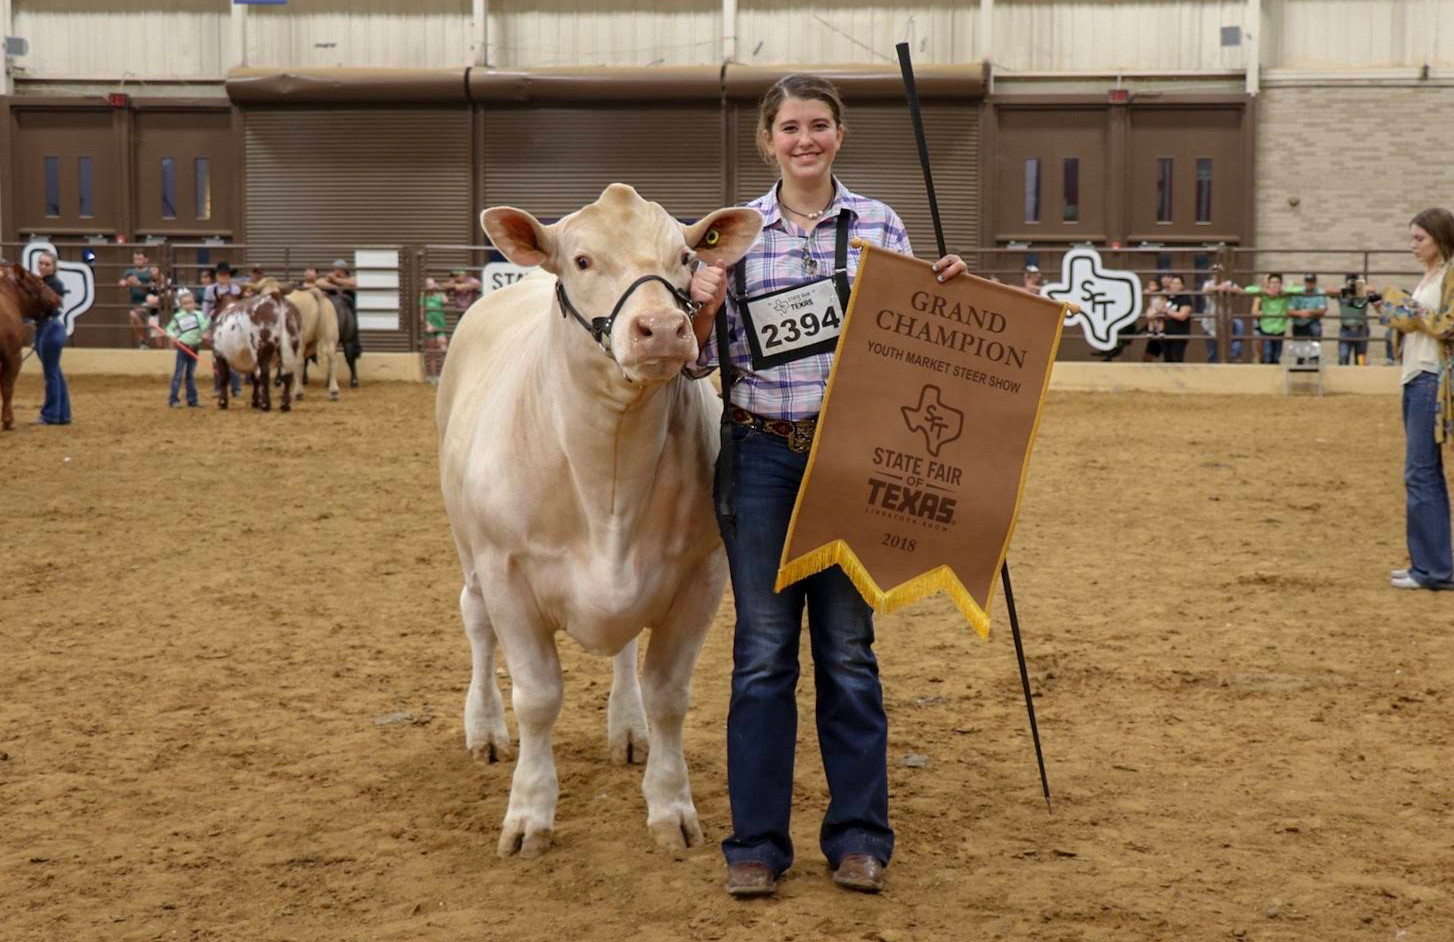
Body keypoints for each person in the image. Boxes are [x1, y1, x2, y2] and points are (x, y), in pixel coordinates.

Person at [684, 73, 967, 899]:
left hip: (853, 459)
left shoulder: (880, 223)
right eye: (789, 128)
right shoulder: (728, 235)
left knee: (848, 654)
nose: (804, 140)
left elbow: (918, 340)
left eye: (818, 126)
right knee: (764, 657)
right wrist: (703, 305)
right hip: (760, 452)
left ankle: (858, 837)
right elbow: (699, 363)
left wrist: (942, 291)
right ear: (767, 141)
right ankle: (757, 846)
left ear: (839, 135)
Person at [1385, 208, 1454, 590]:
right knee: (1424, 474)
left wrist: (1407, 310)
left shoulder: (1450, 274)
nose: (1413, 245)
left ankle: (1433, 571)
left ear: (1439, 238)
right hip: (1416, 376)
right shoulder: (1432, 275)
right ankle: (1430, 564)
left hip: (1431, 378)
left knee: (1421, 473)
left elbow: (1448, 324)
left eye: (1419, 239)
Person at [31, 252, 71, 425]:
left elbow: (51, 304)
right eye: (40, 263)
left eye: (47, 264)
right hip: (47, 328)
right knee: (55, 372)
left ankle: (51, 414)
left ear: (54, 267)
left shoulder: (53, 284)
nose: (42, 266)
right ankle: (62, 414)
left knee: (51, 374)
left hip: (49, 327)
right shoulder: (42, 283)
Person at [204, 262, 244, 398]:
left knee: (233, 357)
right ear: (216, 275)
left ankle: (236, 388)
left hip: (233, 326)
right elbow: (206, 309)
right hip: (217, 325)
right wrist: (206, 328)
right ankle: (218, 387)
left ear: (229, 275)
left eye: (226, 274)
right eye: (221, 274)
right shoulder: (210, 290)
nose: (223, 277)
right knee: (217, 358)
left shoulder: (236, 289)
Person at [164, 290, 208, 408]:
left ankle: (192, 400)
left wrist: (209, 322)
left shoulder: (199, 315)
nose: (188, 305)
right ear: (181, 305)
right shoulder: (178, 317)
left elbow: (203, 327)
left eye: (190, 302)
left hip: (195, 348)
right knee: (178, 373)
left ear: (194, 303)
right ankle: (173, 400)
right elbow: (169, 329)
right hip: (183, 347)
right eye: (185, 303)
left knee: (190, 375)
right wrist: (173, 337)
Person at [1199, 265, 1243, 362]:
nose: (1216, 274)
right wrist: (1219, 288)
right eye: (1214, 272)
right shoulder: (1208, 283)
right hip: (1209, 322)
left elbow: (1241, 291)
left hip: (1226, 321)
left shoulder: (1229, 283)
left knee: (1227, 346)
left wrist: (1229, 289)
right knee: (1212, 351)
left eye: (1218, 271)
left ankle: (1233, 358)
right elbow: (1204, 290)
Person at [120, 248, 159, 349]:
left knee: (158, 335)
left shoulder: (151, 271)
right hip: (136, 303)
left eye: (140, 259)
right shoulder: (130, 271)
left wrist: (139, 284)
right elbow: (122, 282)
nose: (137, 261)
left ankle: (160, 348)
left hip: (151, 305)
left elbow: (155, 286)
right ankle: (142, 341)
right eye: (135, 259)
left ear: (146, 259)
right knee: (133, 315)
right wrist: (125, 283)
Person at [1250, 273, 1290, 364]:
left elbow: (1297, 290)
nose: (1274, 285)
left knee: (1276, 357)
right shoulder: (1261, 294)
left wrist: (1283, 291)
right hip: (1264, 328)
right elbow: (1249, 290)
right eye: (1271, 282)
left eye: (1277, 282)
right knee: (1267, 354)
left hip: (1279, 329)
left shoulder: (1283, 295)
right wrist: (1264, 291)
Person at [1288, 273, 1327, 364]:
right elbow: (1290, 310)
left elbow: (1322, 310)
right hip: (1299, 321)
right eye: (1308, 281)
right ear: (1305, 282)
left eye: (1312, 281)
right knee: (1299, 341)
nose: (1309, 284)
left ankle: (1314, 359)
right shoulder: (1298, 292)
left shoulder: (1319, 292)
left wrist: (1308, 312)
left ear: (1315, 282)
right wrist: (1300, 313)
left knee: (1316, 329)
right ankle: (1300, 360)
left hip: (1312, 320)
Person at [1336, 273, 1371, 365]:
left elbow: (1372, 289)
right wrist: (1345, 290)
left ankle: (1360, 379)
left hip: (1361, 329)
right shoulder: (1342, 292)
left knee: (1360, 360)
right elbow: (1328, 290)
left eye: (1354, 281)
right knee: (1343, 357)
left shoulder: (1362, 292)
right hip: (1346, 329)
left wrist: (1358, 289)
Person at [421, 277, 450, 381]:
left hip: (440, 326)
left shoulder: (439, 296)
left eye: (432, 285)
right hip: (430, 328)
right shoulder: (423, 297)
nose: (431, 288)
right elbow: (422, 315)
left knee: (443, 349)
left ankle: (444, 376)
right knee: (432, 353)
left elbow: (446, 301)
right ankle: (433, 377)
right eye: (429, 286)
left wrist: (440, 289)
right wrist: (428, 325)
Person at [1161, 273, 1194, 363]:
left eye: (1178, 283)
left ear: (1182, 286)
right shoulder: (1166, 298)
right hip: (1166, 335)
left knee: (1177, 360)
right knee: (1167, 360)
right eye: (1173, 283)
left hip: (1179, 335)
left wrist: (1167, 311)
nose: (1175, 286)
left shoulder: (1185, 299)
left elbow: (1182, 316)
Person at [1141, 276, 1166, 362]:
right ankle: (1151, 331)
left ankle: (1159, 331)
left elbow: (1163, 305)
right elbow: (1145, 292)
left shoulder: (1163, 294)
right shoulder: (1152, 294)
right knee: (1148, 356)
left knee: (1169, 356)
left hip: (1162, 319)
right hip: (1153, 317)